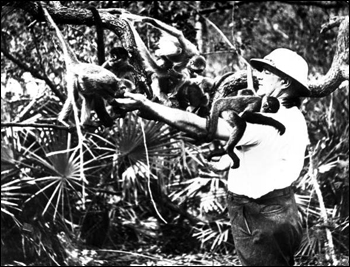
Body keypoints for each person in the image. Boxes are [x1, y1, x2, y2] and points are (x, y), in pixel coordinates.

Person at [115, 48, 310, 266]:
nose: (259, 75)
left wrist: (147, 105)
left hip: (259, 217)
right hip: (284, 209)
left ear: (284, 83)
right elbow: (273, 153)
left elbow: (203, 128)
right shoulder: (295, 117)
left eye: (267, 72)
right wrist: (231, 159)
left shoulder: (267, 121)